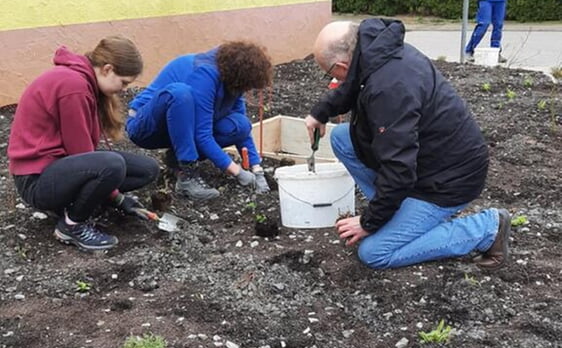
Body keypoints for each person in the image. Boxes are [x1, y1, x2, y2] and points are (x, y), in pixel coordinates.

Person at [304, 19, 511, 270]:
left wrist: (369, 223)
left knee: (374, 252)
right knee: (342, 138)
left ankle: (487, 228)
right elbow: (353, 81)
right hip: (430, 159)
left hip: (448, 182)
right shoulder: (379, 51)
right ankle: (397, 211)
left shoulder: (389, 89)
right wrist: (321, 112)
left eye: (329, 74)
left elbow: (400, 170)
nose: (332, 79)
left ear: (341, 65)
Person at [8, 36, 160, 251]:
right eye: (124, 82)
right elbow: (80, 151)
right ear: (107, 69)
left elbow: (84, 154)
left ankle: (78, 202)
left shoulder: (84, 82)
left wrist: (117, 199)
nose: (124, 89)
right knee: (112, 164)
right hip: (36, 180)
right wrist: (116, 196)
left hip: (56, 168)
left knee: (146, 169)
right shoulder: (74, 86)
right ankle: (72, 224)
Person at [126, 41, 272, 201]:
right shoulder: (205, 75)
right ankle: (187, 176)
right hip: (146, 126)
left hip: (178, 127)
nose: (247, 90)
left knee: (240, 125)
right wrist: (236, 171)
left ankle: (176, 158)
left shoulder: (232, 80)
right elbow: (202, 134)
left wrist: (257, 169)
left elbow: (243, 127)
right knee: (180, 93)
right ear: (239, 75)